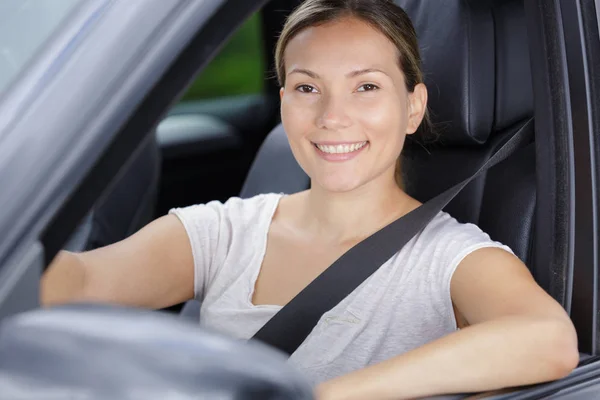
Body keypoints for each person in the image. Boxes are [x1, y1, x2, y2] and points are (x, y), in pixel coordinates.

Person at [41, 0, 579, 399]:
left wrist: (317, 395)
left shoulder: (450, 258)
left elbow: (547, 339)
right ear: (283, 104)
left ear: (413, 107)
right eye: (306, 88)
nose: (332, 116)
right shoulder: (224, 232)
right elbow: (75, 282)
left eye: (366, 86)